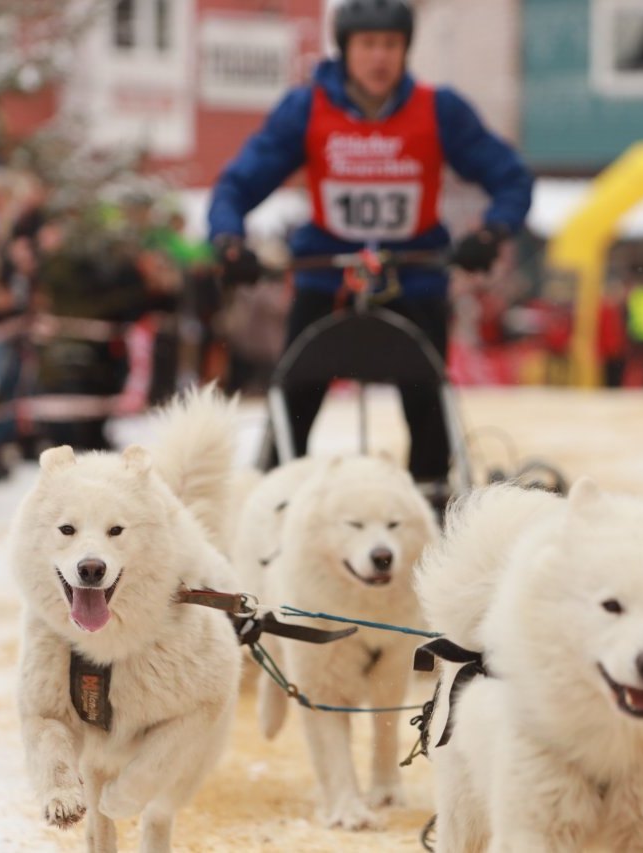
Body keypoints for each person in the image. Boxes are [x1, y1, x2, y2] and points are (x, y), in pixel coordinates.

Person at [207, 0, 533, 505]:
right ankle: (275, 498)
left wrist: (491, 233)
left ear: (405, 50)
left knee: (427, 398)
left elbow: (509, 176)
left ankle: (432, 498)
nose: (379, 57)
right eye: (368, 45)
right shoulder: (308, 107)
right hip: (326, 276)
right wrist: (228, 238)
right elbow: (239, 181)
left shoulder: (438, 108)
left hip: (415, 275)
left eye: (390, 45)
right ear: (346, 50)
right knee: (294, 393)